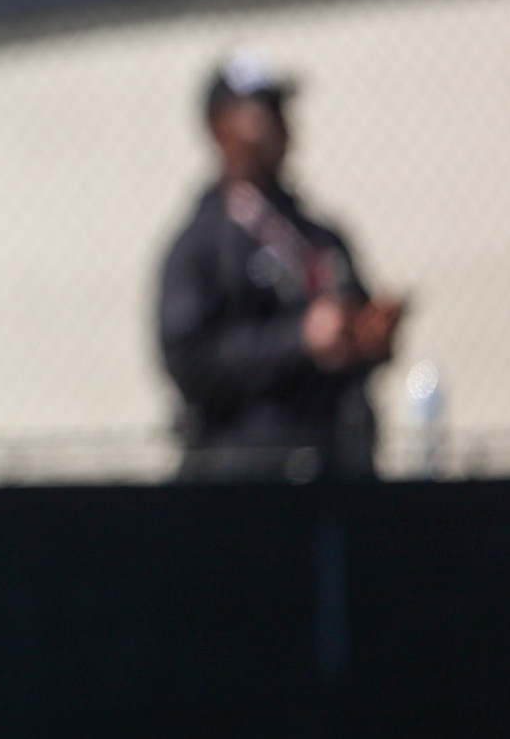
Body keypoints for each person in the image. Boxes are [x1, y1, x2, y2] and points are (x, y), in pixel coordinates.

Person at [156, 47, 407, 481]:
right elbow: (190, 359)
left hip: (337, 462)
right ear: (220, 127)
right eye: (262, 110)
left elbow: (354, 333)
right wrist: (299, 340)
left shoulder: (319, 235)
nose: (278, 123)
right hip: (245, 476)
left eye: (281, 109)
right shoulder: (202, 243)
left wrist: (368, 334)